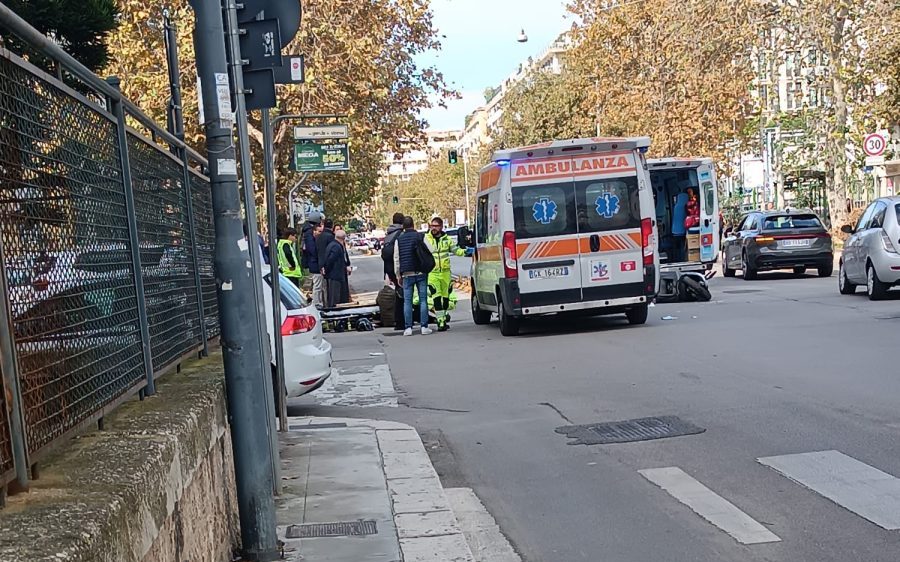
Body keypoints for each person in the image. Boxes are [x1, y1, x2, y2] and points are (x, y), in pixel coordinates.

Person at [425, 216, 472, 331]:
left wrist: (466, 251)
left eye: (436, 226)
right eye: (432, 226)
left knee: (445, 298)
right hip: (433, 273)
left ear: (441, 227)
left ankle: (443, 317)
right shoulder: (426, 239)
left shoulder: (447, 240)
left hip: (445, 273)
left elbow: (456, 250)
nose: (433, 228)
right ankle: (440, 321)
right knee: (436, 297)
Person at [393, 216, 431, 336]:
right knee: (423, 300)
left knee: (407, 301)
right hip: (421, 272)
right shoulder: (421, 236)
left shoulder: (399, 240)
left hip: (406, 274)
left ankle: (408, 328)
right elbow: (431, 249)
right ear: (413, 225)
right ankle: (424, 327)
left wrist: (398, 275)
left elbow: (396, 259)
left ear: (403, 227)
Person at [382, 213, 406, 330]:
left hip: (389, 268)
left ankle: (398, 320)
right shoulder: (400, 234)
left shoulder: (389, 234)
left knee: (398, 292)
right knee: (403, 294)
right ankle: (402, 321)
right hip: (398, 268)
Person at [301, 212, 325, 307]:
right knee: (317, 285)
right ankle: (317, 303)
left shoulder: (307, 231)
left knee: (318, 284)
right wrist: (318, 256)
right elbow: (311, 248)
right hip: (314, 262)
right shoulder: (309, 233)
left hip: (313, 261)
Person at [324, 230, 351, 307]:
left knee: (334, 296)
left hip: (333, 274)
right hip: (335, 275)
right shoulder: (337, 247)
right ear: (343, 238)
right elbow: (331, 260)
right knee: (335, 297)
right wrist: (327, 270)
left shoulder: (331, 244)